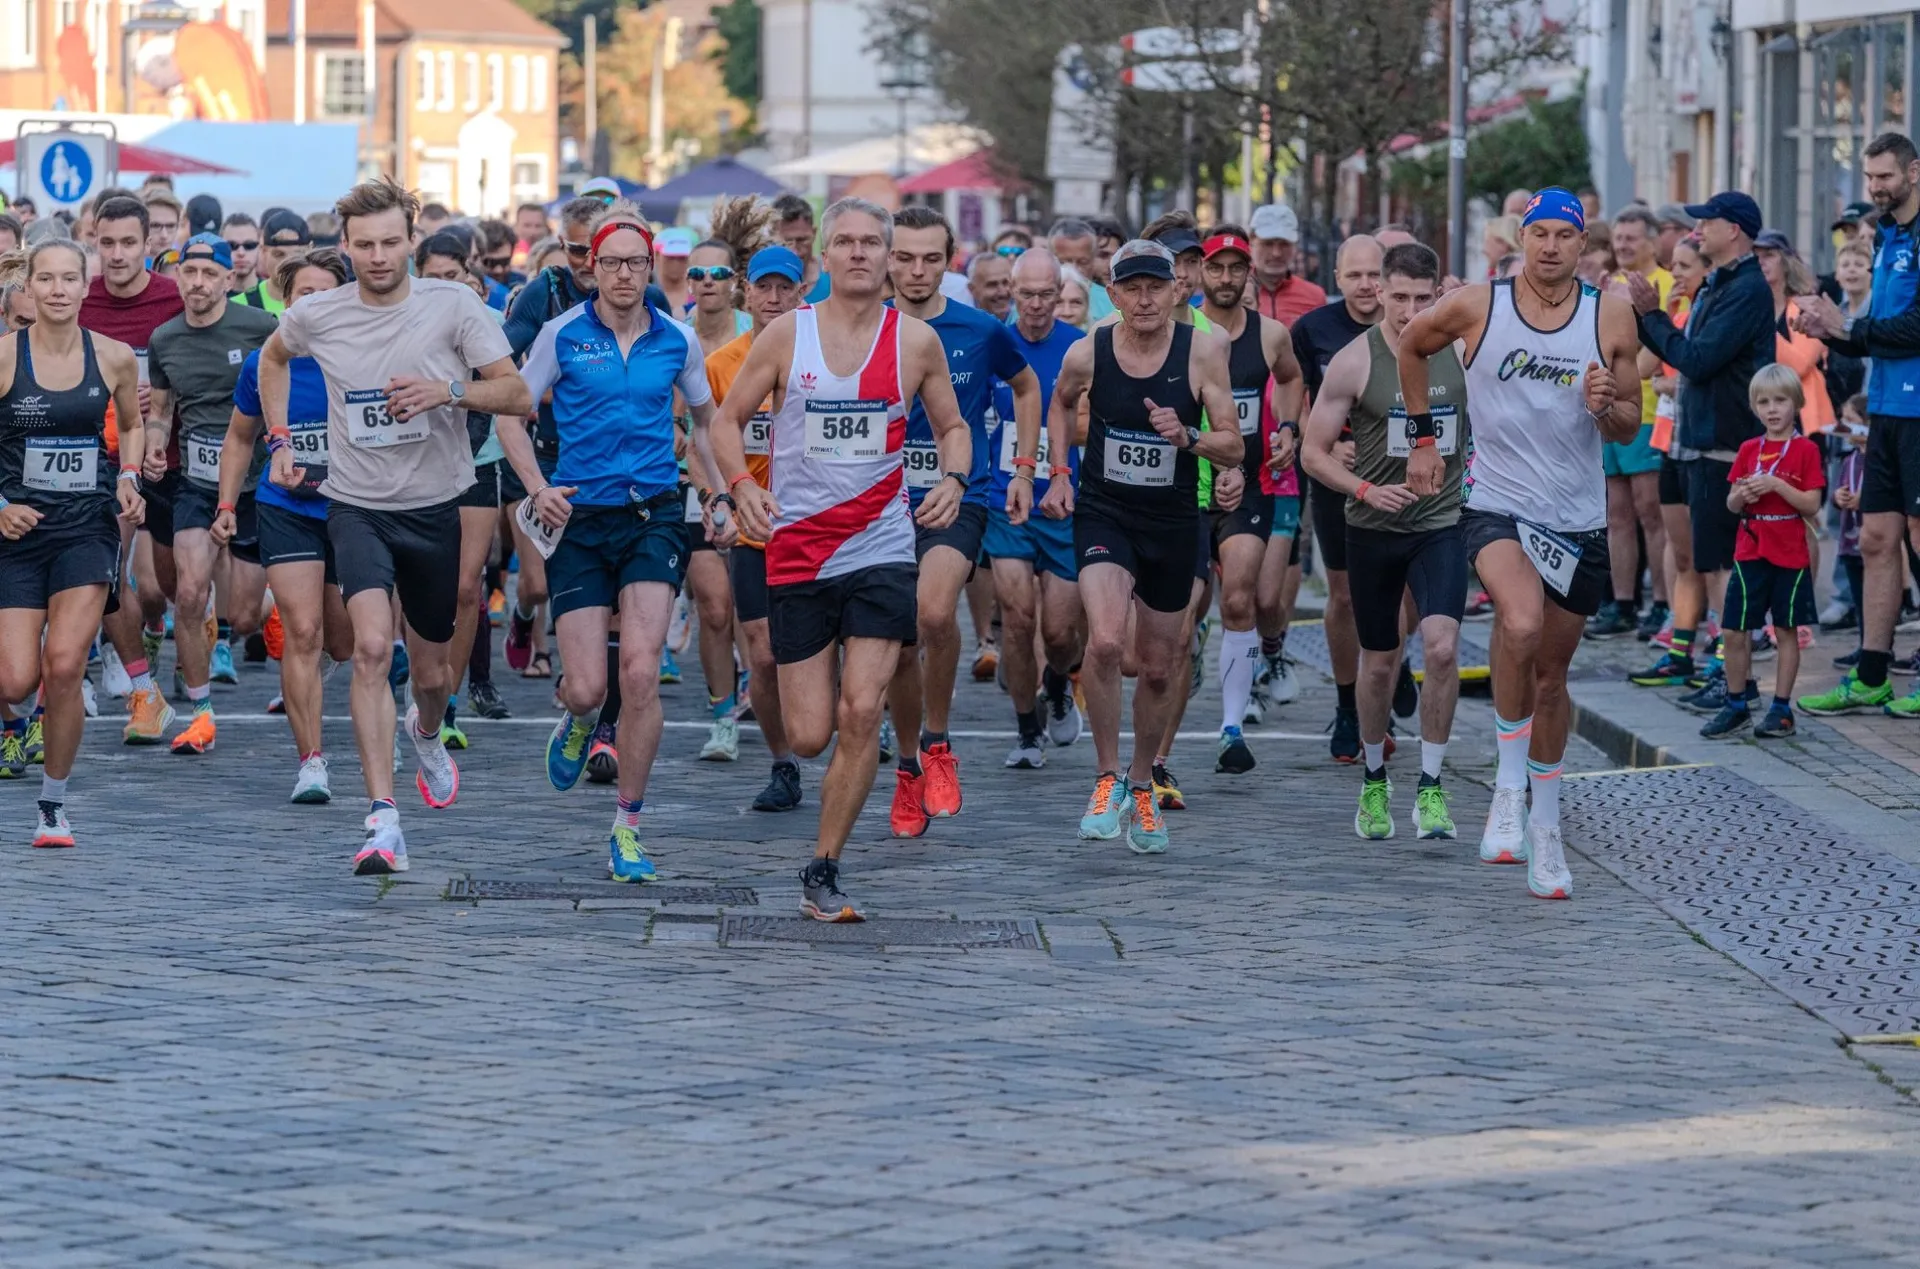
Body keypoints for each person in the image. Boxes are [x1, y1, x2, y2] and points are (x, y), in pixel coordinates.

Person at [710, 197, 975, 922]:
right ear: (823, 257)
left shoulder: (915, 341)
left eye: (871, 243)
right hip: (797, 548)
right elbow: (726, 422)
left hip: (882, 544)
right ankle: (834, 773)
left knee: (862, 710)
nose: (859, 253)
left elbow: (954, 426)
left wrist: (954, 478)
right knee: (809, 732)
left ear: (890, 257)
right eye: (845, 242)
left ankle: (823, 867)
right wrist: (738, 488)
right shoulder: (786, 337)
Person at [258, 177, 531, 877]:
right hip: (357, 506)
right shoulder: (322, 313)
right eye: (364, 245)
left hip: (435, 506)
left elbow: (517, 391)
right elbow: (272, 359)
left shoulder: (454, 305)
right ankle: (382, 816)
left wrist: (449, 390)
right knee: (373, 647)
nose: (378, 257)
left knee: (434, 671)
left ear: (412, 240)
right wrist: (281, 441)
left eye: (390, 243)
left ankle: (428, 729)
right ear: (344, 247)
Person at [1398, 187, 1644, 900]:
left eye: (1563, 236)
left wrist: (1607, 406)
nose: (1548, 247)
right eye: (1537, 234)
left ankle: (1546, 829)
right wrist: (1422, 436)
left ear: (1583, 243)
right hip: (1496, 504)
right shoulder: (1480, 304)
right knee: (1521, 620)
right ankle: (1507, 788)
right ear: (1521, 237)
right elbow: (1413, 342)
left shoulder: (1611, 314)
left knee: (1551, 676)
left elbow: (1628, 423)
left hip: (1575, 517)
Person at [507, 204, 717, 884]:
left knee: (640, 673)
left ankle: (627, 825)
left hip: (653, 512)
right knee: (587, 685)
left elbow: (708, 421)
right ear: (590, 268)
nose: (624, 273)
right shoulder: (561, 334)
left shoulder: (677, 340)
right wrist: (537, 485)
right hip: (579, 518)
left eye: (636, 262)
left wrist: (716, 492)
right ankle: (575, 719)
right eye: (611, 262)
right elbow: (514, 412)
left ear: (651, 267)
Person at [1041, 240, 1239, 854]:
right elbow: (1058, 403)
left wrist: (1188, 438)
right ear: (1115, 294)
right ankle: (1106, 778)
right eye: (1132, 288)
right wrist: (1058, 472)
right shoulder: (1089, 349)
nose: (1146, 298)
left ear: (1177, 289)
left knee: (1157, 666)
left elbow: (1233, 444)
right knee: (1103, 640)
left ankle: (1142, 780)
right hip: (1106, 514)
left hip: (1173, 522)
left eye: (1157, 285)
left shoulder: (1204, 352)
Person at [1302, 242, 1468, 840]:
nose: (1409, 310)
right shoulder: (1352, 361)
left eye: (1423, 299)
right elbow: (1312, 453)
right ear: (1380, 294)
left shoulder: (1462, 351)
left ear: (1439, 297)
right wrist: (1365, 490)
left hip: (1440, 524)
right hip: (1372, 528)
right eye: (1399, 297)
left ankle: (1431, 786)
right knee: (1378, 665)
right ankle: (1374, 780)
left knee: (1443, 647)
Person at [883, 205, 1039, 837]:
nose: (917, 271)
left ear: (949, 262)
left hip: (960, 492)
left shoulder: (981, 330)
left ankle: (939, 742)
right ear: (887, 259)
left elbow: (1026, 388)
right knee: (896, 637)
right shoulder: (860, 326)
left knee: (932, 613)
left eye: (930, 258)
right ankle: (907, 766)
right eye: (904, 257)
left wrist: (1024, 468)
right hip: (878, 501)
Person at [0, 238, 146, 847]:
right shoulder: (5, 356)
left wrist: (131, 477)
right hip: (17, 531)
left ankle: (53, 804)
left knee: (63, 665)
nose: (58, 290)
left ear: (87, 287)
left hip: (85, 527)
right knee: (14, 681)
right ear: (27, 288)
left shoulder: (113, 357)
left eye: (70, 279)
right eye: (47, 279)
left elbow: (133, 424)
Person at [1629, 190, 1776, 711]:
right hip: (1698, 440)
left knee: (1720, 567)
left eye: (1706, 223)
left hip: (1722, 443)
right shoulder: (1721, 281)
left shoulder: (1746, 288)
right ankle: (1717, 664)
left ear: (1733, 229)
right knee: (1708, 561)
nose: (1697, 232)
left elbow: (1697, 358)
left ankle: (1730, 673)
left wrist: (1651, 318)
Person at [219, 250, 355, 801]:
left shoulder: (365, 357)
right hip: (288, 507)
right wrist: (227, 506)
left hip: (353, 511)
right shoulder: (265, 362)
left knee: (346, 643)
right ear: (285, 300)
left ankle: (320, 673)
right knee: (301, 632)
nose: (316, 304)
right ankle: (311, 762)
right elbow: (238, 438)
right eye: (305, 295)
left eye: (327, 294)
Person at [1796, 131, 1920, 717]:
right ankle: (1872, 673)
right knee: (1875, 541)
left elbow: (1915, 328)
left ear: (1914, 173)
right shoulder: (1887, 236)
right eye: (1870, 178)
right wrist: (1829, 327)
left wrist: (1847, 330)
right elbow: (1879, 327)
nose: (1876, 187)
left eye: (1886, 177)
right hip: (1887, 413)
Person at [142, 233, 279, 754]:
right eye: (188, 273)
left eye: (208, 274)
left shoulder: (261, 328)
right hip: (196, 483)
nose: (197, 283)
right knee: (191, 594)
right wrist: (155, 445)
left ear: (228, 278)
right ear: (178, 277)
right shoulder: (165, 339)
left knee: (242, 616)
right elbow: (161, 409)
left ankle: (273, 609)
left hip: (253, 484)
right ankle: (200, 714)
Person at [1194, 223, 1304, 773]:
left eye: (1238, 268)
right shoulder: (1178, 330)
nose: (1227, 278)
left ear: (1249, 273)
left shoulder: (1268, 334)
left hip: (1250, 481)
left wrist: (1286, 429)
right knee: (1180, 614)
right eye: (1216, 267)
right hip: (1183, 488)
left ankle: (1232, 728)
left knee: (1239, 598)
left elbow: (1290, 378)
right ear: (1199, 272)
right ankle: (1188, 643)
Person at [707, 243, 809, 811]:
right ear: (747, 291)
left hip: (820, 526)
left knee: (832, 650)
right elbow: (705, 436)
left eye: (784, 288)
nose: (773, 298)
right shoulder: (724, 364)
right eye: (763, 287)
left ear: (801, 292)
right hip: (756, 531)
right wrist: (722, 493)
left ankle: (861, 726)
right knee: (764, 655)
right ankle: (783, 763)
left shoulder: (822, 354)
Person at [79, 194, 184, 744]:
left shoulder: (174, 299)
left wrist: (163, 400)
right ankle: (146, 693)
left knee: (171, 586)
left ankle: (184, 637)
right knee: (105, 572)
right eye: (107, 243)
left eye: (128, 244)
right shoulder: (80, 299)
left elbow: (204, 366)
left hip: (169, 457)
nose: (117, 255)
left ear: (149, 244)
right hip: (103, 459)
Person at [984, 246, 1086, 768]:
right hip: (1008, 500)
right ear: (1011, 291)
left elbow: (1101, 421)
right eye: (1027, 294)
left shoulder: (1081, 348)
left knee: (1061, 632)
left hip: (1066, 502)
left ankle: (1060, 682)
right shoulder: (993, 342)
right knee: (1020, 619)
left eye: (1048, 294)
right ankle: (1027, 731)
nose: (1038, 305)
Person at [411, 232, 513, 746]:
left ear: (468, 278)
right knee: (410, 586)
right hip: (414, 463)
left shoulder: (486, 323)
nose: (443, 287)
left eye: (453, 278)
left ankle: (447, 702)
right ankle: (415, 691)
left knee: (466, 587)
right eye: (432, 278)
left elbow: (513, 391)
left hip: (478, 460)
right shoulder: (399, 323)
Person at [1290, 235, 1386, 761]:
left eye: (1375, 274)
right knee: (1345, 595)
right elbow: (1300, 401)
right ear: (1337, 277)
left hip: (1399, 474)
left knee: (1401, 594)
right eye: (1355, 275)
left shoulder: (1409, 325)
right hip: (1336, 476)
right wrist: (1323, 445)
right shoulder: (1314, 330)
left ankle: (1390, 675)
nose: (1367, 285)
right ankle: (1349, 703)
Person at [501, 196, 606, 678]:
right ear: (564, 247)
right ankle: (523, 619)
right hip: (547, 457)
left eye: (598, 249)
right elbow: (501, 360)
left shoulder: (636, 291)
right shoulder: (543, 291)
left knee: (597, 589)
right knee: (538, 586)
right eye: (578, 250)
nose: (588, 263)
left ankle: (578, 682)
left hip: (608, 463)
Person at [1697, 364, 1823, 739]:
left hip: (1790, 553)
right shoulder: (1750, 449)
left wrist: (1777, 485)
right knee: (1734, 630)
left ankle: (1781, 709)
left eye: (1780, 401)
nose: (1772, 409)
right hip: (1750, 550)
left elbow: (1812, 504)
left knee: (1785, 629)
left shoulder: (1806, 449)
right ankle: (1736, 703)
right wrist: (1741, 494)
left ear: (1796, 404)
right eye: (1764, 402)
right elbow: (1732, 503)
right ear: (1754, 407)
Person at [1587, 205, 1672, 640]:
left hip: (1648, 415)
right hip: (1608, 413)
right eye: (1618, 239)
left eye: (1632, 239)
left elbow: (1657, 353)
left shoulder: (1667, 285)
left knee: (1650, 512)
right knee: (1615, 514)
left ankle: (1661, 603)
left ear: (1653, 243)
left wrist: (1617, 375)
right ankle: (1622, 603)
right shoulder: (1609, 287)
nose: (1622, 246)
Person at [1633, 233, 1709, 679]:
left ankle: (1719, 647)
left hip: (1704, 440)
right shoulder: (1678, 311)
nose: (1675, 273)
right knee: (1683, 555)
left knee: (1710, 558)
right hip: (1669, 439)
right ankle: (1680, 651)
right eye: (1673, 265)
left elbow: (1699, 370)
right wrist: (1662, 315)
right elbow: (1645, 367)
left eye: (1683, 265)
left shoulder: (1716, 311)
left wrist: (1674, 384)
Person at [1755, 230, 1835, 440]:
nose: (1761, 262)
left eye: (1769, 255)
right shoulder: (1749, 309)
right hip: (1759, 416)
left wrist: (1761, 328)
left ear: (1787, 261)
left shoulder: (1807, 306)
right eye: (1756, 257)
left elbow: (1801, 365)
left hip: (1803, 419)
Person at [1249, 203, 1326, 324]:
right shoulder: (1235, 293)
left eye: (1284, 244)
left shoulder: (1315, 297)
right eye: (1268, 244)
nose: (1276, 253)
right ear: (1251, 241)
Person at [234, 209, 312, 315]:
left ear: (310, 250)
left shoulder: (323, 305)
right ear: (264, 251)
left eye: (296, 255)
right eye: (279, 254)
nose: (287, 263)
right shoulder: (239, 307)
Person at [1048, 218, 1114, 322]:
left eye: (1082, 262)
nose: (1073, 269)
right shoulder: (1036, 301)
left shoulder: (1112, 303)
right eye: (1064, 263)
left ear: (1093, 260)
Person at [771, 194, 830, 302]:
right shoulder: (759, 283)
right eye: (787, 242)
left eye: (802, 240)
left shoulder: (833, 278)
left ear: (814, 233)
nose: (795, 252)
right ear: (772, 236)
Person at [655, 227, 696, 314]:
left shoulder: (698, 295)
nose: (676, 263)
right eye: (670, 257)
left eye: (682, 258)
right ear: (657, 256)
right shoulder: (647, 294)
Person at [967, 249, 1014, 320]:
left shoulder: (1027, 324)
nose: (1003, 293)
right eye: (992, 285)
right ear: (972, 289)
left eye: (1006, 283)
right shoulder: (962, 328)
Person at [220, 213, 261, 294]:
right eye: (231, 246)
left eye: (249, 245)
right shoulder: (210, 297)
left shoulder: (276, 294)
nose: (241, 253)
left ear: (260, 248)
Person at [1652, 204, 1696, 270]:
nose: (1651, 236)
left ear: (1685, 233)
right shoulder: (1643, 272)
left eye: (1658, 230)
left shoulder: (1705, 274)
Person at [142, 190, 183, 259]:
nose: (164, 235)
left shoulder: (186, 264)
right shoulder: (128, 265)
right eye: (155, 226)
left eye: (170, 226)